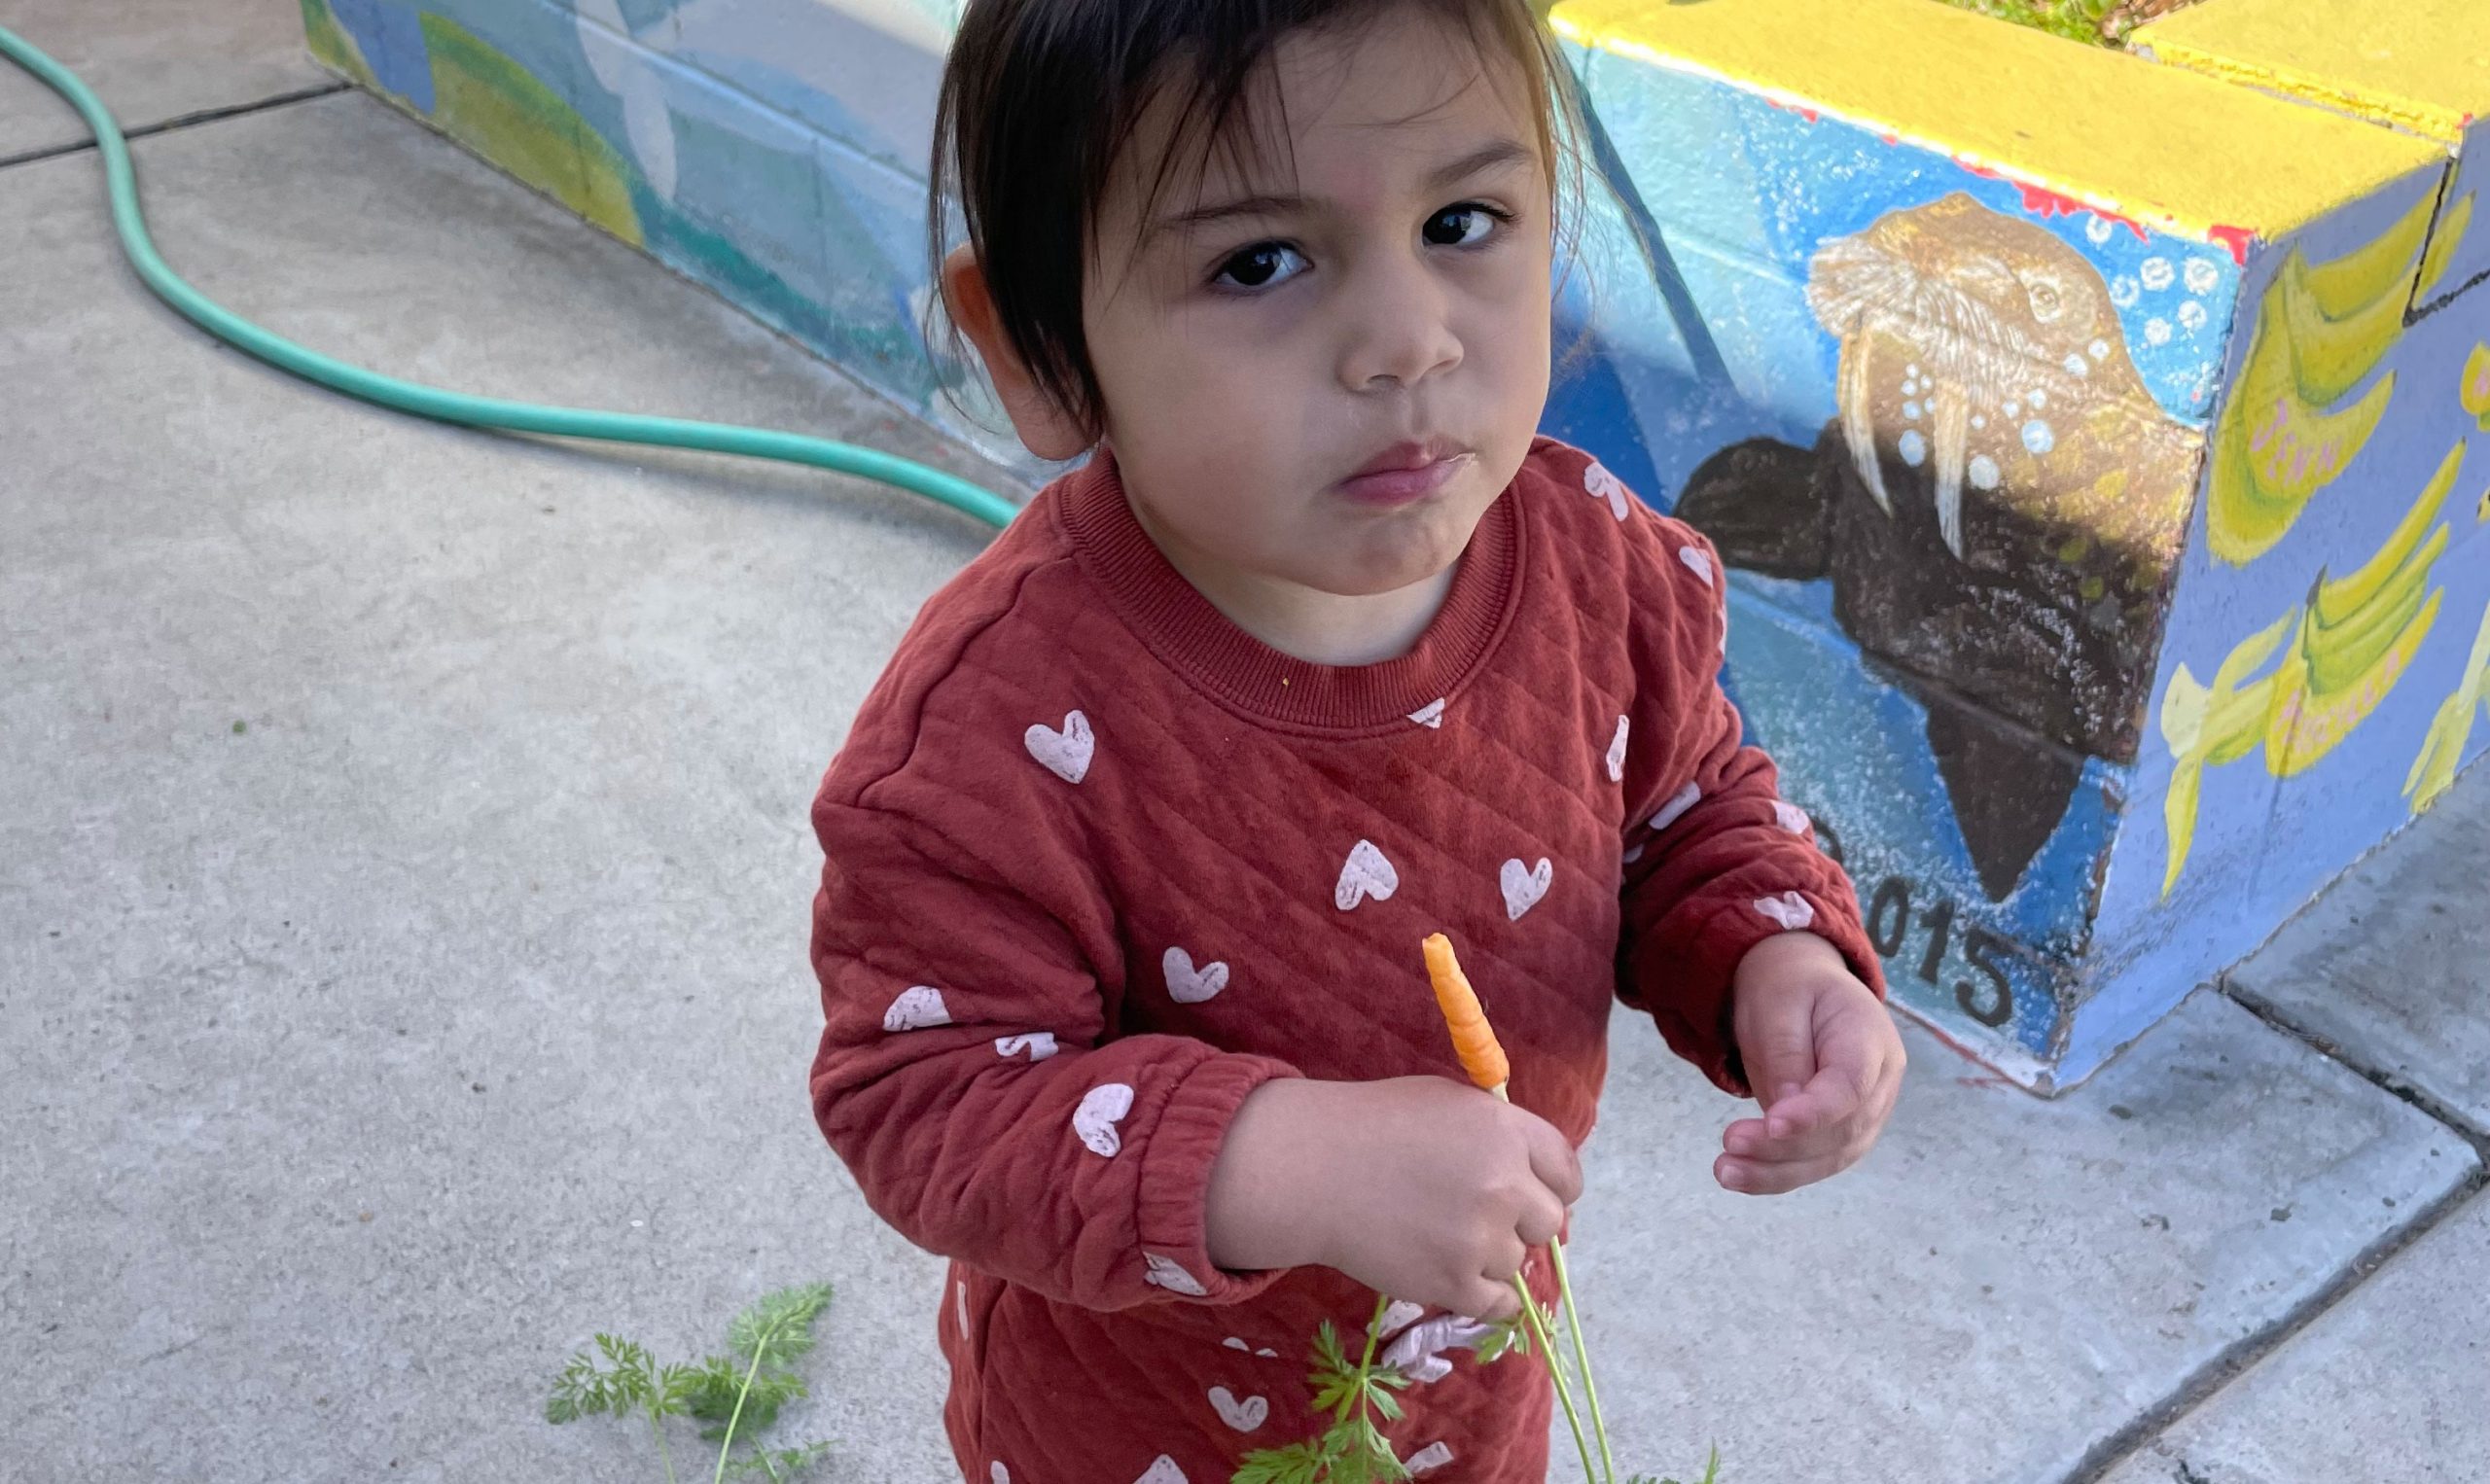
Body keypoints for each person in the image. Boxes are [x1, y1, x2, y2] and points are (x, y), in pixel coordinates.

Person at [806, 2, 1905, 1477]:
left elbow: (1687, 809)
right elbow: (927, 1095)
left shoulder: (1598, 569)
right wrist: (1279, 1162)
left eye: (1462, 222)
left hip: (1471, 1392)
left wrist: (1782, 960)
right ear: (1039, 347)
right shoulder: (998, 729)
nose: (1407, 340)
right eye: (1259, 261)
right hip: (1134, 1434)